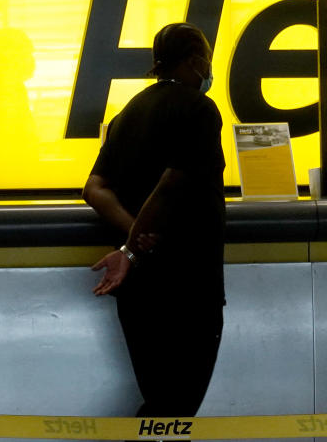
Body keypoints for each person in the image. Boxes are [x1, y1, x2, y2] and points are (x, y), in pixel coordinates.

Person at [84, 22, 226, 418]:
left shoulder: (129, 113)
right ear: (197, 61)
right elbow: (174, 180)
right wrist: (134, 241)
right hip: (188, 280)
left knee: (160, 400)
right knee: (177, 407)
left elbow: (95, 188)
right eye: (207, 61)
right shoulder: (198, 109)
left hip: (138, 287)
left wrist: (132, 239)